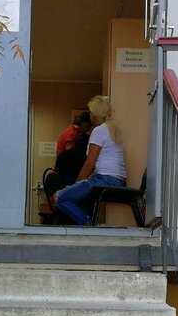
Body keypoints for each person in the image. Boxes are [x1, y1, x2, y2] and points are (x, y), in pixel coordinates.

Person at [52, 95, 127, 226]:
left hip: (104, 180)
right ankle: (93, 224)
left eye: (91, 112)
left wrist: (76, 184)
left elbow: (89, 163)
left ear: (95, 115)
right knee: (80, 199)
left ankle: (94, 226)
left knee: (59, 198)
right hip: (118, 180)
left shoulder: (99, 131)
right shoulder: (114, 130)